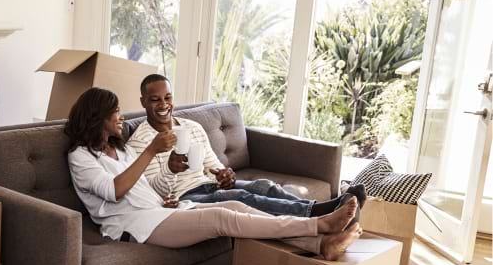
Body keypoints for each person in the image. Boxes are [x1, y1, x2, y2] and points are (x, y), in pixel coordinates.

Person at [65, 87, 362, 261]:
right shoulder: (80, 157)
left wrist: (168, 178)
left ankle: (321, 244)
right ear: (97, 117)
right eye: (115, 111)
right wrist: (152, 152)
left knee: (235, 206)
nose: (121, 117)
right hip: (133, 226)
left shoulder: (120, 150)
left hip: (158, 211)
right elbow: (114, 190)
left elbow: (145, 185)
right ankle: (317, 225)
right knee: (223, 218)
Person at [127, 74, 367, 219]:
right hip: (185, 198)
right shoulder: (140, 141)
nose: (163, 104)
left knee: (263, 186)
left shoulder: (191, 127)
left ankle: (321, 208)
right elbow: (153, 190)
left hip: (207, 184)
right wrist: (171, 169)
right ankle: (322, 212)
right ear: (143, 102)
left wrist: (225, 175)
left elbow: (213, 166)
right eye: (154, 99)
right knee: (240, 196)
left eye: (167, 97)